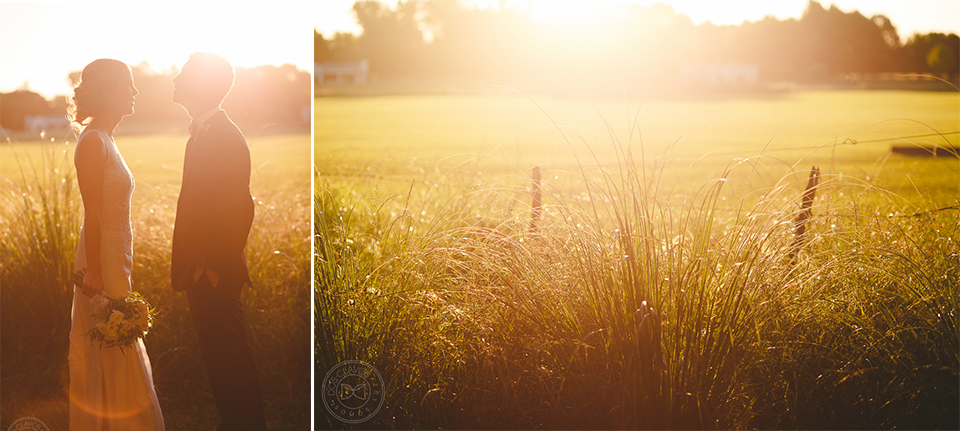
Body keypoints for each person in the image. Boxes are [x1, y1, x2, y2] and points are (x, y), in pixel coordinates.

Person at [170, 52, 267, 430]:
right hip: (202, 272)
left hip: (213, 274)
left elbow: (240, 209)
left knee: (233, 367)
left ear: (201, 85)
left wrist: (209, 267)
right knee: (221, 367)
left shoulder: (222, 135)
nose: (174, 79)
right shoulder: (204, 132)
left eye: (182, 74)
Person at [69, 58, 166, 430]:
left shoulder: (107, 139)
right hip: (100, 261)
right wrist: (93, 269)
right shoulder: (93, 141)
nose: (135, 91)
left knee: (117, 340)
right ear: (107, 92)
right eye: (127, 84)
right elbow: (92, 214)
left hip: (115, 257)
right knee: (108, 341)